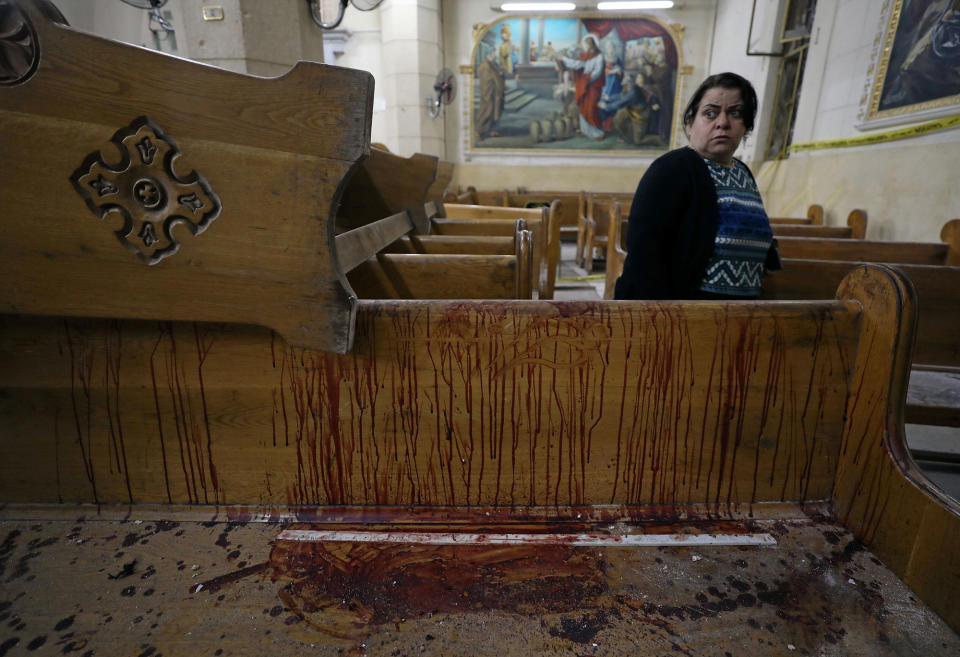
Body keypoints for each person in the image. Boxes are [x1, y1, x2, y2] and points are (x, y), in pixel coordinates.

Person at [614, 72, 780, 300]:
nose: (722, 122)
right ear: (691, 122)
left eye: (735, 113)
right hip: (690, 314)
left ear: (747, 126)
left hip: (742, 315)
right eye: (710, 113)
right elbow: (645, 257)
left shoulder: (742, 172)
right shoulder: (672, 169)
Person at [556, 34, 606, 140]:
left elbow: (598, 71)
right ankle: (586, 131)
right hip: (585, 85)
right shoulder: (587, 56)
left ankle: (596, 133)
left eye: (587, 44)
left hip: (593, 86)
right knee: (583, 106)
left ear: (592, 44)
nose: (585, 47)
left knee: (591, 108)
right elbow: (576, 64)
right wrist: (564, 59)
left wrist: (586, 80)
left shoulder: (599, 56)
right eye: (585, 45)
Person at [476, 49, 505, 140]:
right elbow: (487, 78)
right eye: (493, 53)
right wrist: (497, 76)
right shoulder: (484, 65)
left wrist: (500, 75)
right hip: (488, 92)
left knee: (493, 111)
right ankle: (479, 131)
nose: (495, 55)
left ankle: (490, 130)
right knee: (487, 110)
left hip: (494, 92)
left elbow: (496, 73)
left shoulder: (492, 64)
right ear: (488, 54)